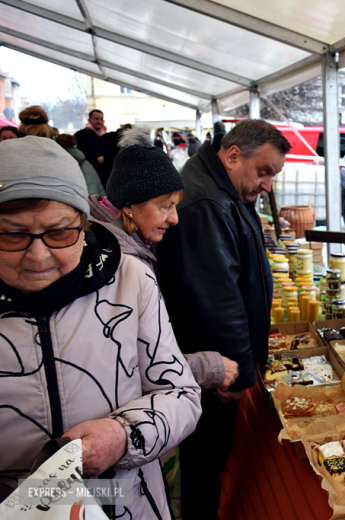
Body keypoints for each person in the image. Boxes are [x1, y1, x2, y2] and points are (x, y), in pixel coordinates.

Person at [0, 136, 201, 518]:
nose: (39, 255)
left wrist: (125, 435)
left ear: (82, 223)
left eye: (60, 232)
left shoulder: (130, 279)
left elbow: (181, 394)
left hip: (125, 500)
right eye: (13, 235)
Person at [156, 119, 290, 520]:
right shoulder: (207, 201)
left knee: (205, 465)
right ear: (233, 156)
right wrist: (236, 374)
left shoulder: (222, 188)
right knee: (204, 466)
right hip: (214, 366)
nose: (266, 184)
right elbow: (217, 298)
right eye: (263, 171)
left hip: (215, 359)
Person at [88, 127, 239, 392]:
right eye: (164, 206)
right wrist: (207, 367)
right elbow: (127, 361)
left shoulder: (131, 242)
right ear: (129, 206)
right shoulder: (116, 263)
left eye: (175, 205)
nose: (174, 218)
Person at [75, 109, 109, 188]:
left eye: (101, 119)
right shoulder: (80, 135)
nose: (99, 121)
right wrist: (96, 160)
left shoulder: (106, 137)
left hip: (105, 177)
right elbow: (78, 156)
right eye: (96, 118)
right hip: (88, 176)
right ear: (89, 120)